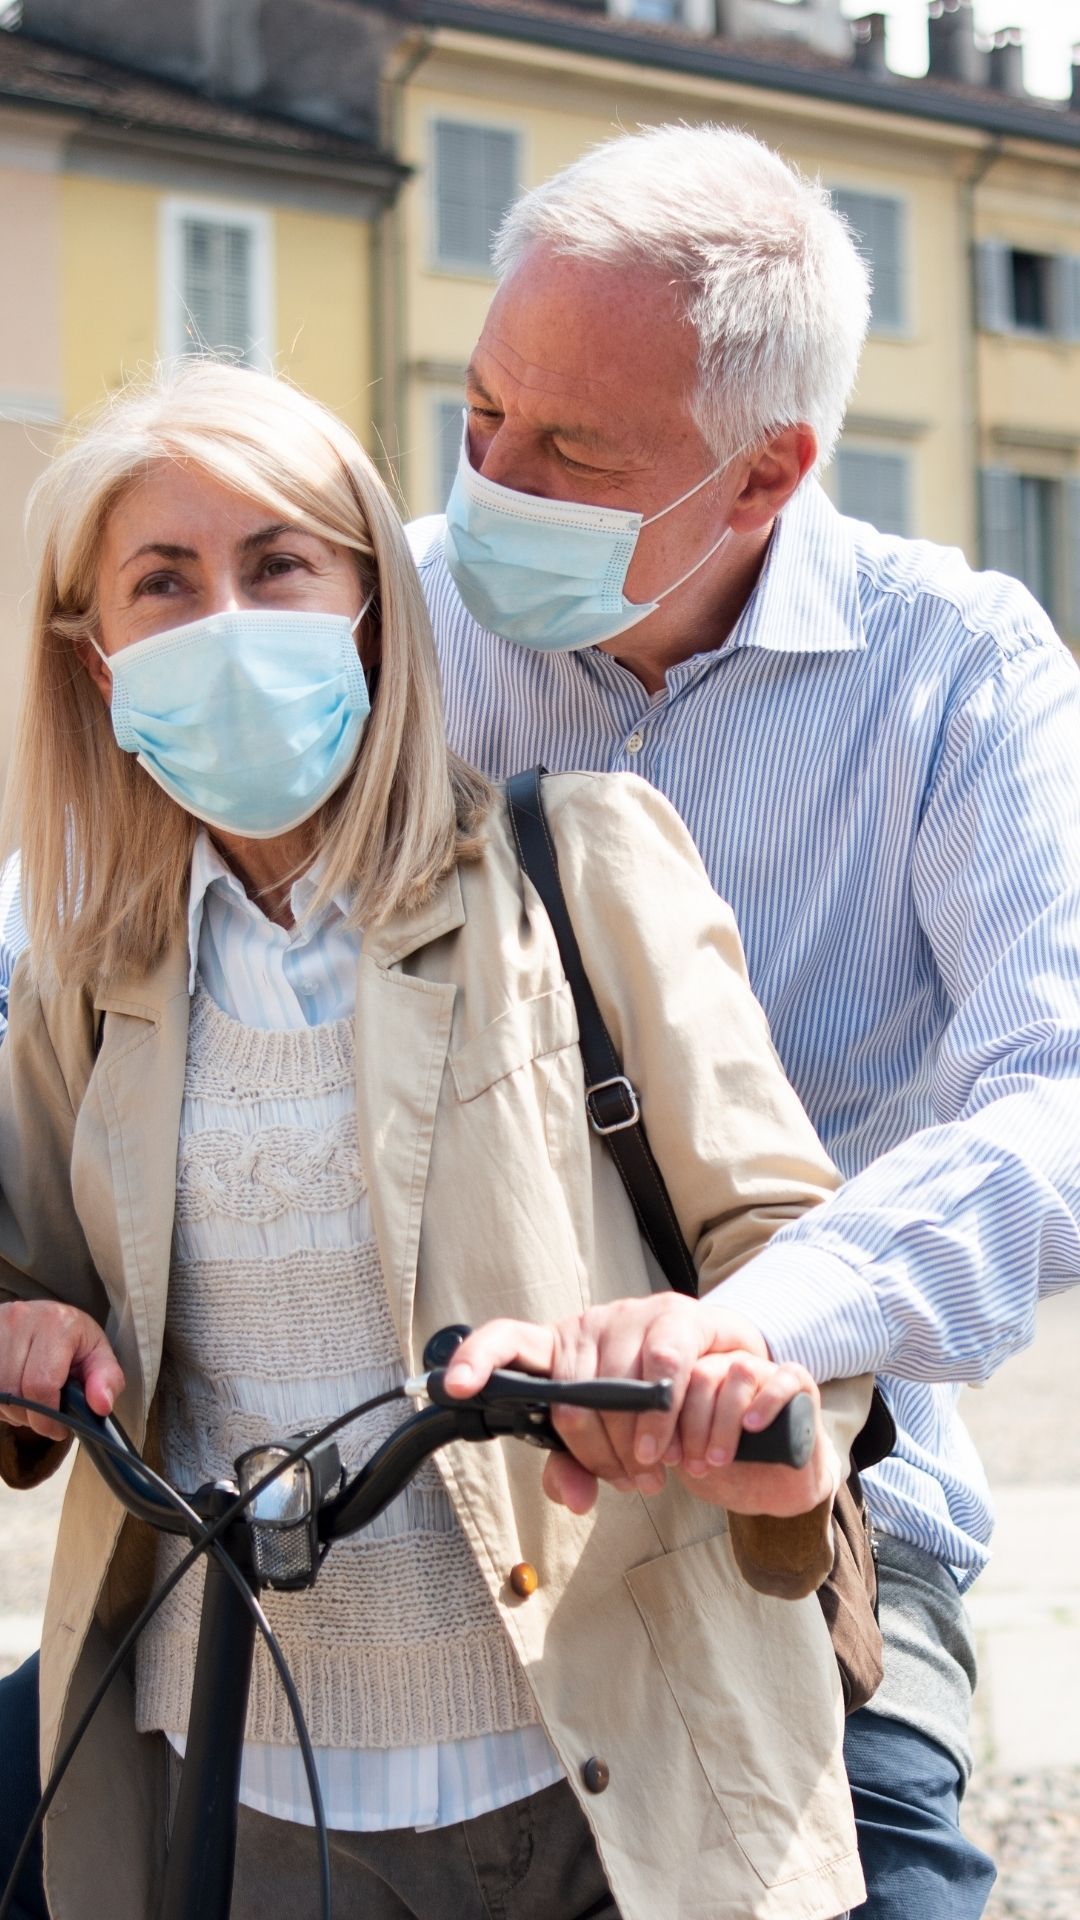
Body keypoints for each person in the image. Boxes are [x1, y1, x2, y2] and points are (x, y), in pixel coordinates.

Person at [0, 360, 871, 1920]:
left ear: (373, 608)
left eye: (277, 565)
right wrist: (23, 1329)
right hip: (253, 1787)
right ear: (97, 656)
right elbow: (22, 1278)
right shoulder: (89, 973)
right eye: (163, 582)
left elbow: (801, 1259)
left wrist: (721, 1358)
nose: (229, 622)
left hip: (611, 1764)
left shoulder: (578, 865)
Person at [395, 123, 1080, 1918]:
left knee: (894, 1885)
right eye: (478, 415)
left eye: (568, 450)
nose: (490, 485)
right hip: (417, 1492)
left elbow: (1060, 1099)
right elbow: (66, 956)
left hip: (806, 1508)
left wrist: (756, 1326)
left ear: (767, 471)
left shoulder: (962, 672)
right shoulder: (380, 611)